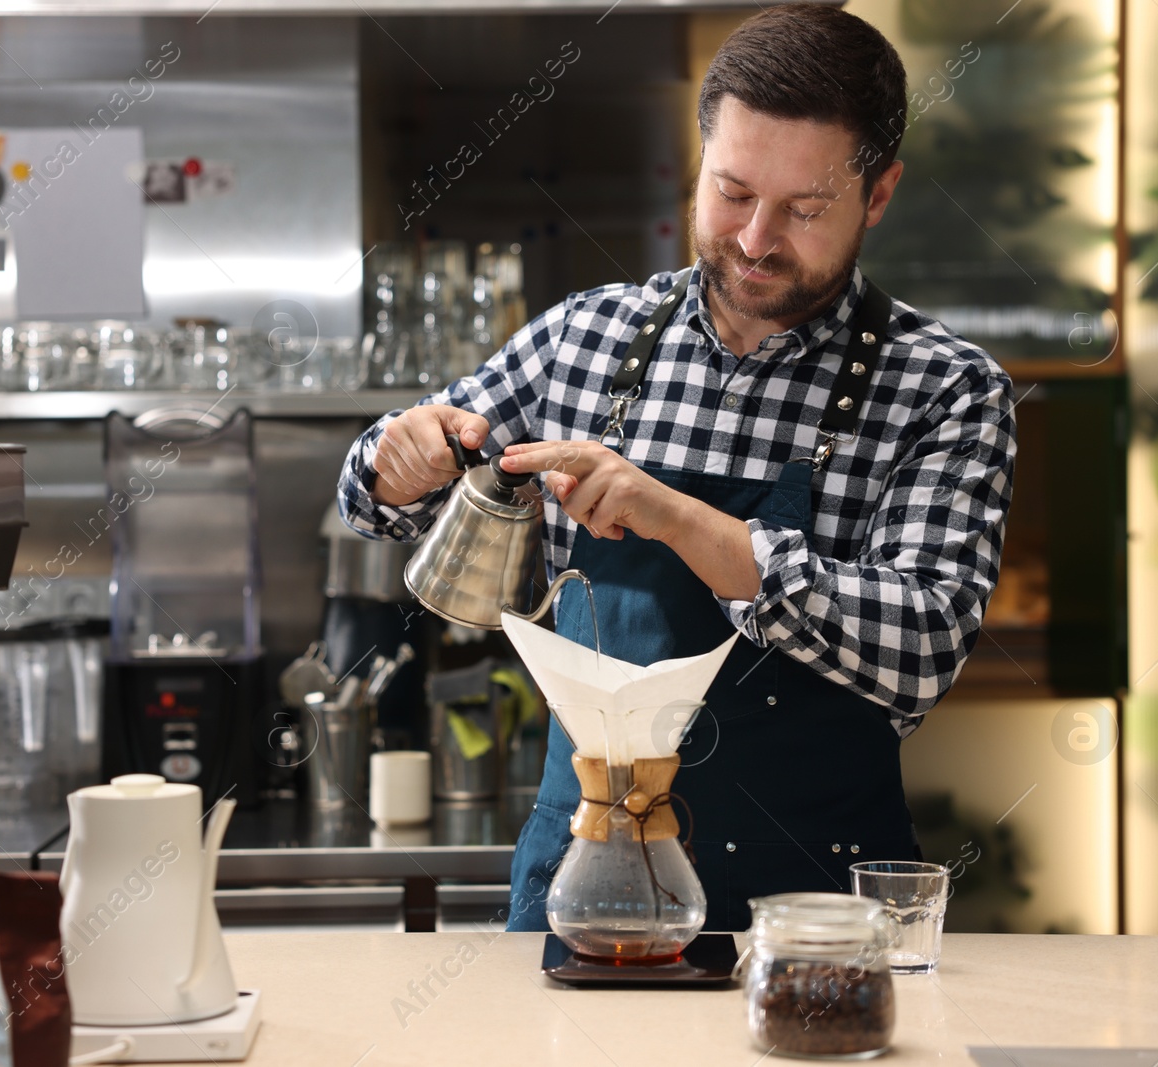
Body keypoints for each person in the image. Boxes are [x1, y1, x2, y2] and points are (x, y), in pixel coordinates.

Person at [337, 3, 1016, 933]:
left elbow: (923, 645)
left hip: (816, 921)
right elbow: (376, 502)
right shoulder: (585, 338)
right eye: (733, 191)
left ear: (880, 193)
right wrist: (394, 459)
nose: (754, 238)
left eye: (805, 209)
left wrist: (681, 520)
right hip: (581, 892)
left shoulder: (943, 390)